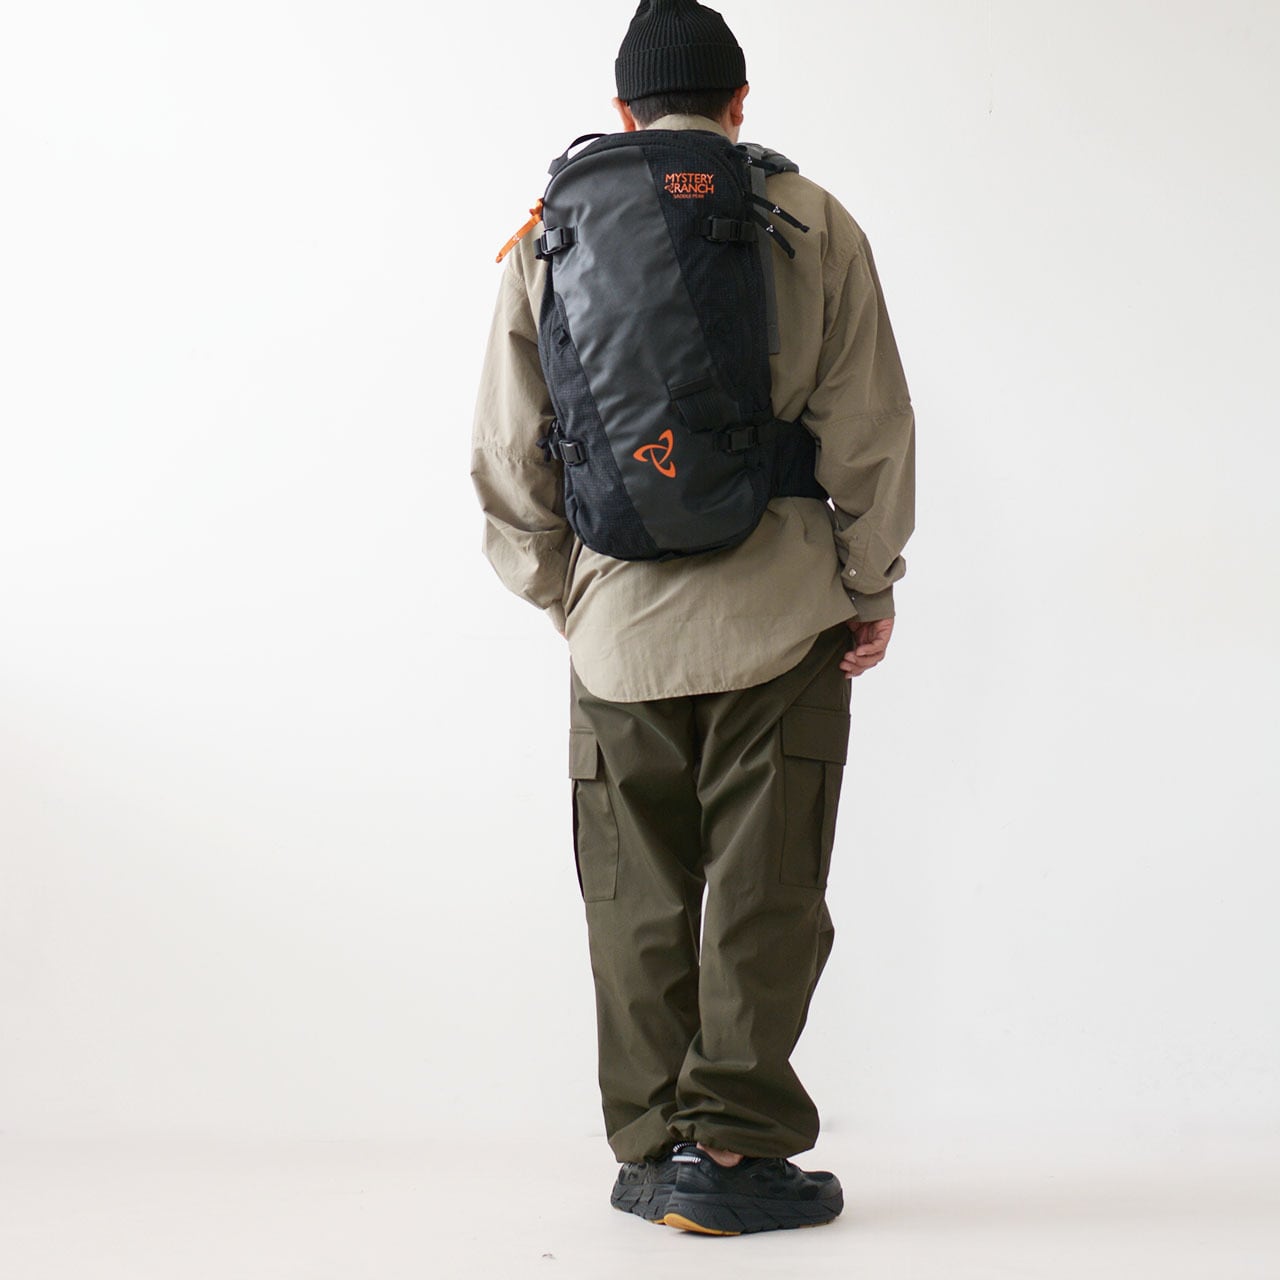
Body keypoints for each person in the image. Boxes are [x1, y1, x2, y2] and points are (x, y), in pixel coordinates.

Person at [471, 0, 915, 1237]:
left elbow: (506, 452)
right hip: (782, 614)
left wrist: (566, 591)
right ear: (738, 102)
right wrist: (866, 583)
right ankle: (727, 1149)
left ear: (622, 113)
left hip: (617, 628)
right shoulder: (811, 220)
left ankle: (651, 1148)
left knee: (633, 895)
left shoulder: (547, 234)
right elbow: (869, 430)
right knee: (767, 887)